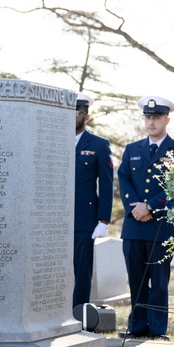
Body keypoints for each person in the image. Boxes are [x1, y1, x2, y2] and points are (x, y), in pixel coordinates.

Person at [117, 96, 174, 339]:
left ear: (166, 120)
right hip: (134, 226)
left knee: (159, 282)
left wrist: (150, 206)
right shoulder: (132, 149)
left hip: (161, 226)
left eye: (156, 117)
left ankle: (157, 329)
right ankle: (137, 326)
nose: (151, 122)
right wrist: (136, 208)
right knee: (136, 280)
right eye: (148, 117)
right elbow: (124, 180)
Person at [72, 92, 114, 309]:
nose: (71, 116)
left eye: (76, 112)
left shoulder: (98, 144)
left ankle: (78, 315)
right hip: (54, 218)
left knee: (81, 271)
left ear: (85, 115)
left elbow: (107, 185)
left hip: (84, 219)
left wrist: (103, 220)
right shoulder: (52, 141)